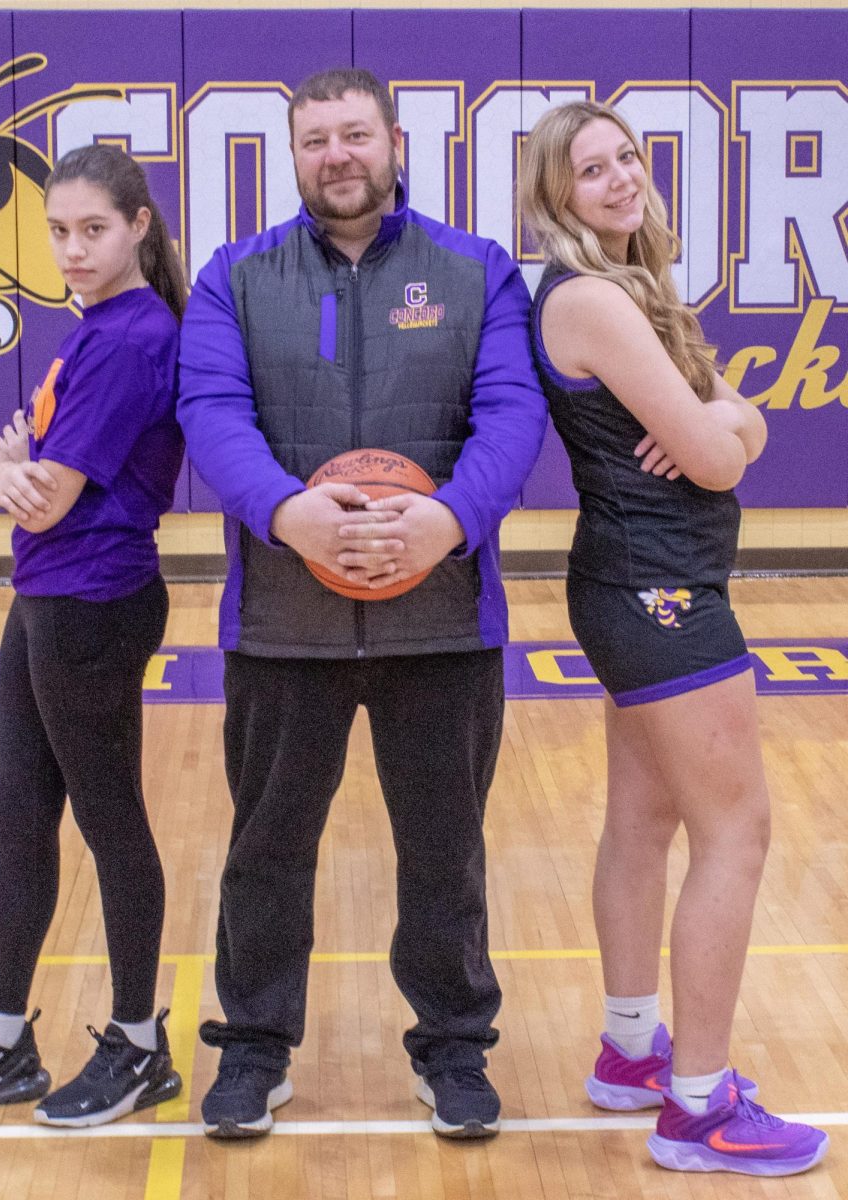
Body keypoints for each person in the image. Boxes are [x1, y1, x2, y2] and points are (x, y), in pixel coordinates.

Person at [178, 67, 547, 1140]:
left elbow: (512, 413)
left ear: (393, 142)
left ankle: (452, 1048)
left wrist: (450, 522)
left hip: (442, 620)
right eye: (314, 142)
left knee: (445, 847)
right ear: (292, 158)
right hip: (283, 625)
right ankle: (252, 1045)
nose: (336, 157)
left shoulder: (475, 271)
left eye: (353, 136)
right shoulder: (234, 277)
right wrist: (287, 512)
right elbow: (211, 410)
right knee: (267, 846)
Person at [520, 101, 827, 1177]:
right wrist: (732, 425)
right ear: (557, 198)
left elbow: (729, 426)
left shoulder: (623, 287)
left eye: (626, 160)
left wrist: (729, 421)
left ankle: (631, 1047)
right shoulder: (596, 299)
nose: (617, 180)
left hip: (636, 584)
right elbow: (719, 453)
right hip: (663, 594)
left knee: (645, 822)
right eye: (589, 170)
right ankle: (699, 1104)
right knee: (736, 830)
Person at [0, 145, 188, 1128]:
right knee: (21, 815)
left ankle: (140, 1045)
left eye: (92, 229)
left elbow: (43, 496)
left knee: (109, 822)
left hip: (91, 602)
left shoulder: (134, 337)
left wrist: (11, 474)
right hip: (45, 598)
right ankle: (2, 1040)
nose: (70, 249)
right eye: (57, 231)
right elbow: (5, 468)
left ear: (139, 226)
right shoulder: (90, 332)